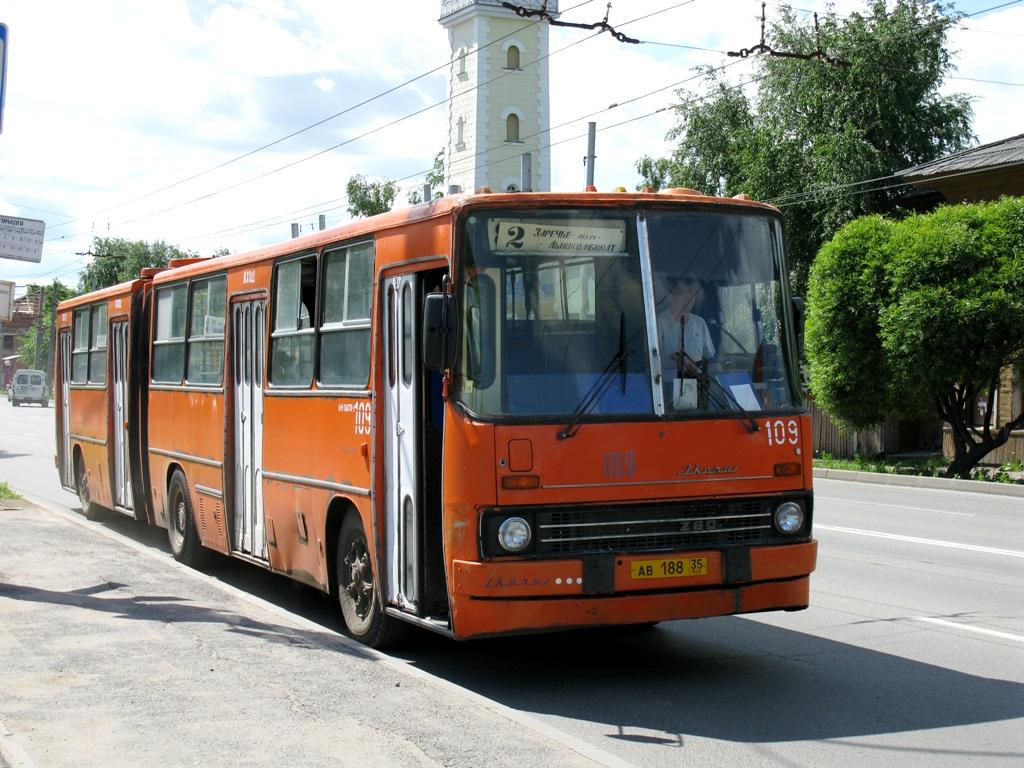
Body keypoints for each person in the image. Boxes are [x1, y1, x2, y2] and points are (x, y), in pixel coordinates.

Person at [656, 275, 716, 379]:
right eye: (681, 292)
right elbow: (652, 362)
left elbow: (710, 358)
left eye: (691, 292)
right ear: (670, 296)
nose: (687, 297)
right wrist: (676, 364)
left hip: (699, 386)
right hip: (666, 389)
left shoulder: (700, 323)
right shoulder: (658, 323)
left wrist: (716, 366)